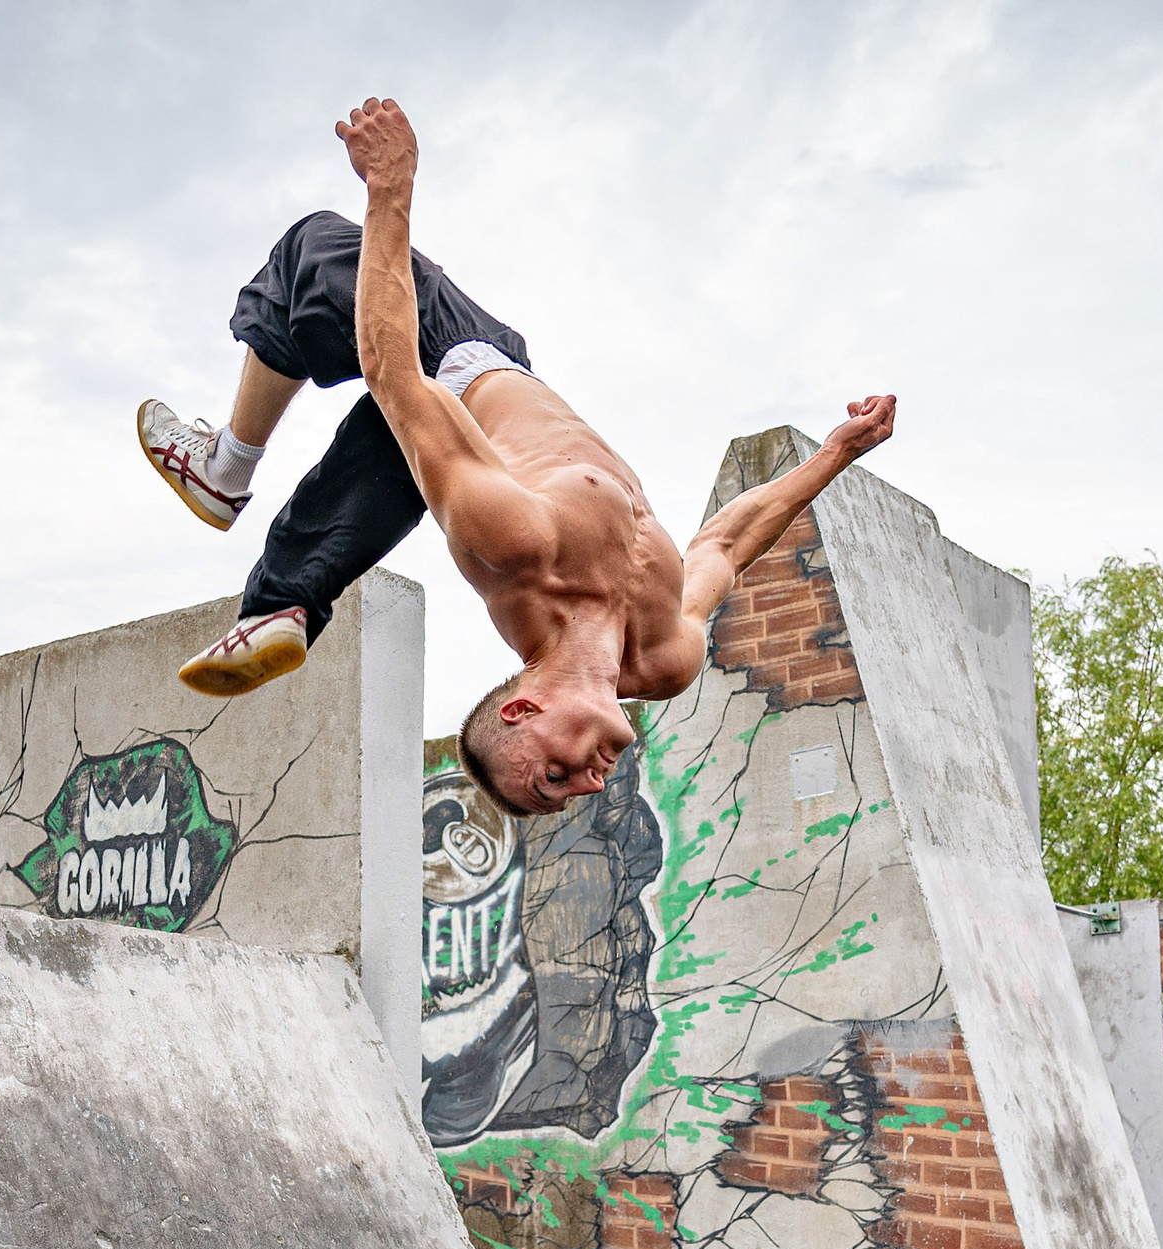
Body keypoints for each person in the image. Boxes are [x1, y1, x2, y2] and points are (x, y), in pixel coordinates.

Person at [139, 96, 896, 816]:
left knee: (311, 252)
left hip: (457, 362)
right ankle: (286, 599)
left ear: (524, 706)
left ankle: (225, 469)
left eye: (553, 775)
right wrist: (834, 454)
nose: (589, 786)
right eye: (572, 792)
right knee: (396, 452)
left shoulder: (518, 547)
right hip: (495, 392)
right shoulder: (665, 657)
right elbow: (727, 545)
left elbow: (394, 369)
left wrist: (391, 186)